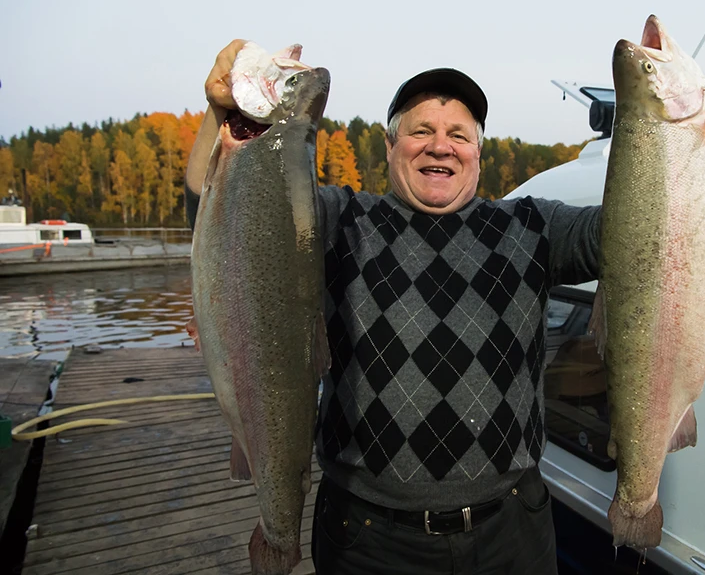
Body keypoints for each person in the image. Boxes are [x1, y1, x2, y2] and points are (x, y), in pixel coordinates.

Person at [185, 40, 602, 575]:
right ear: (390, 145)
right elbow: (217, 210)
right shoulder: (339, 220)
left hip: (512, 530)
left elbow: (628, 233)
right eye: (421, 131)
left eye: (459, 135)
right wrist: (220, 114)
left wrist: (671, 140)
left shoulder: (535, 227)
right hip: (368, 540)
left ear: (479, 150)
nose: (440, 147)